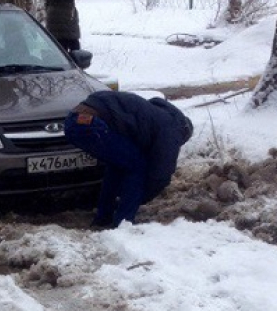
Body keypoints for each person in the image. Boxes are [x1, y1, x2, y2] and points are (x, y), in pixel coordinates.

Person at [64, 90, 193, 228]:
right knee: (137, 167)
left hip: (74, 120)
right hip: (92, 123)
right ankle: (123, 223)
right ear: (183, 134)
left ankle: (103, 218)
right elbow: (161, 173)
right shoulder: (172, 128)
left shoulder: (152, 115)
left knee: (118, 165)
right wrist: (140, 196)